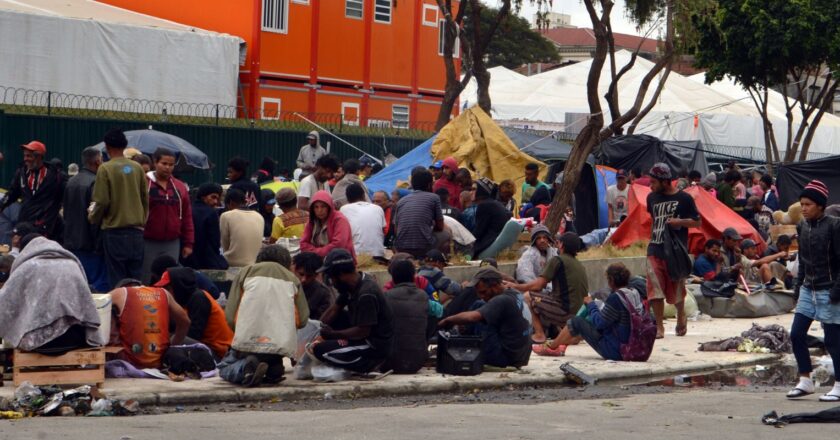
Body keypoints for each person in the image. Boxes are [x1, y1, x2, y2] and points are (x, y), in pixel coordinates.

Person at [221, 245, 309, 386]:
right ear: (286, 262)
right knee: (273, 357)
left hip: (248, 344)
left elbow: (230, 316)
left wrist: (242, 333)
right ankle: (274, 369)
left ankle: (246, 368)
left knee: (224, 367)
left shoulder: (245, 273)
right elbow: (303, 320)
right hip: (280, 347)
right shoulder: (293, 279)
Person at [0, 236, 105, 354]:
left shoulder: (27, 268)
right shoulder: (72, 264)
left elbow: (4, 304)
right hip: (76, 339)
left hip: (36, 344)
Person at [786, 180, 840, 401]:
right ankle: (805, 381)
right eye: (802, 204)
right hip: (809, 288)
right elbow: (804, 261)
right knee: (797, 334)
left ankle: (838, 385)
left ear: (819, 205)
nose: (804, 208)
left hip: (830, 290)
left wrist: (837, 290)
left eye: (808, 204)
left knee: (833, 340)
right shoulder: (803, 226)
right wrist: (798, 288)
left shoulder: (835, 226)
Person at [535, 263, 646, 361]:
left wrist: (591, 304)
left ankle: (552, 347)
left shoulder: (616, 297)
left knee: (576, 321)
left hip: (618, 351)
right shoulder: (634, 293)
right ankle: (562, 343)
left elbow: (600, 323)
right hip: (636, 346)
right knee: (591, 313)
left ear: (611, 280)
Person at [312, 249, 395, 373]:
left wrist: (332, 334)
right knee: (336, 319)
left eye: (331, 277)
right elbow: (334, 310)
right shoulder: (351, 285)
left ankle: (369, 365)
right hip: (359, 334)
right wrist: (317, 329)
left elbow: (363, 331)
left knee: (321, 351)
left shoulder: (366, 293)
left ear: (340, 274)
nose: (331, 282)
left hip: (373, 344)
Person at [645, 163, 701, 339]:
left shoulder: (685, 199)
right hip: (655, 247)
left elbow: (697, 222)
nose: (650, 185)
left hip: (675, 251)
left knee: (677, 287)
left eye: (653, 182)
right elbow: (654, 221)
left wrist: (679, 222)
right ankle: (659, 326)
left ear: (664, 181)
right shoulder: (651, 198)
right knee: (654, 288)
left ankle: (681, 315)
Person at [89, 129, 149, 289]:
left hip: (114, 233)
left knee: (118, 281)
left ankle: (121, 313)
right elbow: (145, 199)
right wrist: (142, 221)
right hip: (137, 232)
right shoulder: (137, 168)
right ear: (124, 145)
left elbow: (101, 201)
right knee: (136, 281)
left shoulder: (105, 168)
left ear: (107, 147)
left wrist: (92, 217)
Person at [438, 267, 530, 368]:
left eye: (483, 292)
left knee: (482, 317)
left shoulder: (502, 300)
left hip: (506, 358)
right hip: (522, 355)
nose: (481, 295)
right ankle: (461, 333)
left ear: (495, 285)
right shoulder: (514, 292)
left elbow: (473, 317)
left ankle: (461, 339)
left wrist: (448, 320)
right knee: (479, 304)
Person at [507, 232, 588, 346]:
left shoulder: (557, 260)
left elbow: (538, 285)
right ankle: (565, 333)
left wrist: (515, 286)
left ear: (561, 245)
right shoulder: (579, 265)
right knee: (550, 297)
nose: (543, 241)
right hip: (577, 316)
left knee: (528, 296)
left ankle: (539, 334)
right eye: (539, 238)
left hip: (565, 313)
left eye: (558, 242)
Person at [109, 279, 191, 369]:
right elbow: (185, 321)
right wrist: (173, 347)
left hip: (131, 363)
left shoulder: (120, 293)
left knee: (106, 314)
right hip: (161, 362)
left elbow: (97, 304)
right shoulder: (164, 293)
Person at [155, 267, 233, 359]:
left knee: (173, 339)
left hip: (217, 354)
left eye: (168, 289)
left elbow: (193, 334)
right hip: (204, 348)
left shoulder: (199, 298)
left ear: (178, 286)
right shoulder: (183, 301)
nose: (166, 293)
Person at [142, 148, 194, 284]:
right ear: (155, 162)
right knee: (147, 277)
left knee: (170, 279)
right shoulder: (143, 183)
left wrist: (188, 243)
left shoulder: (180, 187)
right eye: (164, 163)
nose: (167, 167)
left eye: (171, 165)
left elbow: (187, 216)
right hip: (147, 241)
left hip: (172, 242)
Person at [62, 147, 108, 292]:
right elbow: (94, 216)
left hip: (72, 243)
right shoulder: (95, 183)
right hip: (90, 244)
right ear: (98, 161)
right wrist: (98, 242)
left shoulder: (71, 182)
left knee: (77, 285)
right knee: (97, 289)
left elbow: (66, 212)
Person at [1, 141, 64, 239]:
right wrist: (2, 205)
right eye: (24, 156)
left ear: (39, 157)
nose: (25, 159)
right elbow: (12, 193)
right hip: (25, 222)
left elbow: (62, 197)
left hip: (44, 225)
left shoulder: (55, 176)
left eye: (29, 156)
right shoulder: (21, 173)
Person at [382, 259, 430, 374]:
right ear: (413, 276)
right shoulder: (424, 296)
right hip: (418, 362)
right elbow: (439, 312)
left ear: (393, 278)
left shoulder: (386, 296)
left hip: (390, 361)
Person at [394, 170, 446, 259]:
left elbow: (396, 229)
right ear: (429, 185)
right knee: (446, 234)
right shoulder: (434, 198)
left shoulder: (401, 201)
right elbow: (440, 226)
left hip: (401, 247)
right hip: (423, 247)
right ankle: (438, 260)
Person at [183, 183, 228, 271]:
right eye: (213, 197)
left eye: (217, 199)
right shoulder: (211, 213)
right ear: (203, 196)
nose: (215, 202)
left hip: (187, 259)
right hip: (206, 260)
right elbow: (215, 242)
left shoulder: (189, 209)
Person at [301, 190, 356, 259]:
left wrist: (316, 252)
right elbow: (303, 243)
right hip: (316, 258)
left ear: (329, 207)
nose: (319, 210)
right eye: (316, 207)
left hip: (339, 260)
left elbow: (338, 245)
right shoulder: (312, 220)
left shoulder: (340, 220)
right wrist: (316, 252)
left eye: (323, 206)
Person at [220, 189, 264, 267]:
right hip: (255, 263)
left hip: (233, 263)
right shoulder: (259, 216)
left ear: (230, 203)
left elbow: (225, 245)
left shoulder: (226, 216)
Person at [340, 183, 385, 257]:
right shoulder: (378, 208)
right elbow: (381, 231)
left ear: (347, 199)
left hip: (357, 255)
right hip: (378, 254)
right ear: (364, 196)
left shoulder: (344, 209)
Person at [472, 178, 512, 258]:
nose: (471, 192)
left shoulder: (484, 205)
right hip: (495, 242)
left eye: (474, 189)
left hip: (487, 244)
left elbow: (478, 232)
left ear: (481, 191)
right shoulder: (494, 204)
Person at [291, 252, 334, 320]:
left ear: (316, 275)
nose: (303, 280)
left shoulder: (322, 293)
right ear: (294, 269)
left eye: (309, 276)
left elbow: (320, 321)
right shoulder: (284, 284)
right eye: (301, 274)